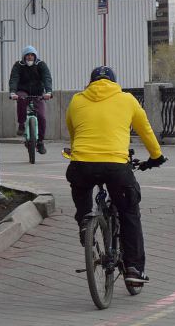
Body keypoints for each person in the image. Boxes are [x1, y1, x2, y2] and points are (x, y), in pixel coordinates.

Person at [65, 66, 166, 284]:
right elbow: (145, 130)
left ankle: (85, 222)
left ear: (90, 82)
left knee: (80, 187)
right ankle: (133, 269)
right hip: (116, 167)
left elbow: (73, 132)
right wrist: (156, 157)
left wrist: (77, 152)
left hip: (82, 163)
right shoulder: (127, 99)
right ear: (114, 82)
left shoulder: (76, 100)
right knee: (129, 212)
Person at [9, 45, 53, 155]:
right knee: (22, 99)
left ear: (35, 56)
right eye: (27, 55)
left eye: (32, 55)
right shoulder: (18, 66)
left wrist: (48, 92)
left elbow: (47, 78)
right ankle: (21, 124)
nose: (29, 57)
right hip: (23, 91)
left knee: (42, 116)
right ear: (24, 57)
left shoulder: (41, 65)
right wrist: (13, 92)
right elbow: (14, 79)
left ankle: (40, 142)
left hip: (38, 92)